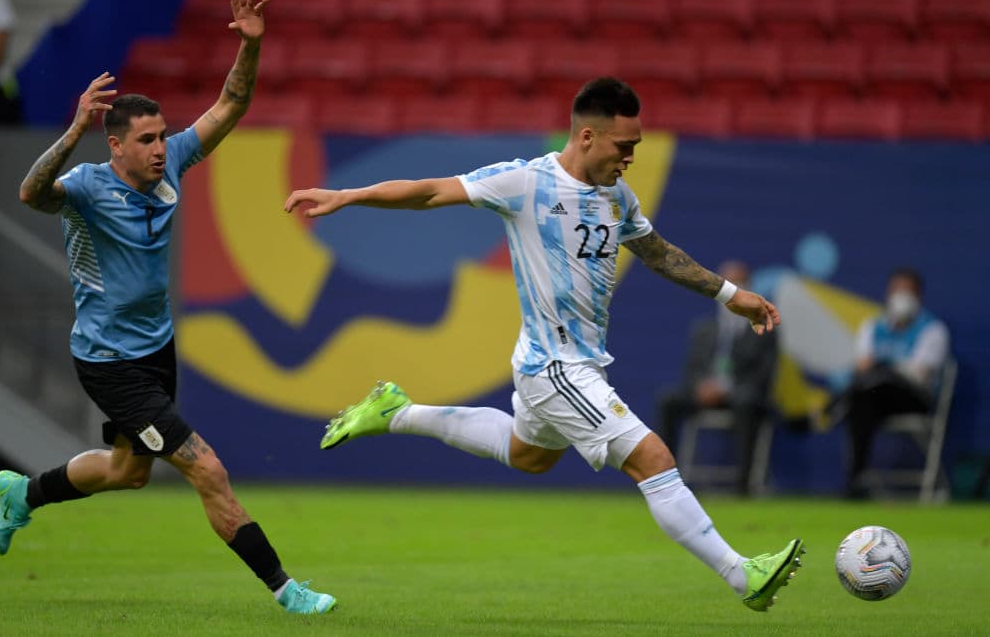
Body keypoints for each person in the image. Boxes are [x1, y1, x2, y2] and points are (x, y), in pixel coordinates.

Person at [285, 78, 804, 612]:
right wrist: (348, 195)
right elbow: (430, 191)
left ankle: (397, 412)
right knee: (651, 457)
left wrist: (730, 294)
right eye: (623, 147)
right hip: (554, 367)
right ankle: (743, 575)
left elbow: (656, 253)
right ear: (586, 137)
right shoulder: (526, 182)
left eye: (637, 148)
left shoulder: (617, 196)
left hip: (572, 365)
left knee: (528, 456)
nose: (630, 158)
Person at [0, 0, 335, 616]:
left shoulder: (172, 163)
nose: (159, 148)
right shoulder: (88, 186)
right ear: (114, 145)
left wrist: (250, 49)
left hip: (155, 347)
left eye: (161, 136)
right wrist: (73, 130)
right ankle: (288, 591)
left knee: (129, 471)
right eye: (145, 140)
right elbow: (30, 194)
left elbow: (231, 103)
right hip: (110, 361)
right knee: (208, 470)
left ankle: (24, 495)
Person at [655, 260, 779, 495]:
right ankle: (665, 480)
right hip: (705, 392)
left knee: (747, 401)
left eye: (738, 283)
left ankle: (744, 487)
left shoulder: (764, 329)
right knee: (668, 400)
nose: (731, 288)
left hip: (742, 395)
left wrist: (727, 389)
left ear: (748, 289)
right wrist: (702, 387)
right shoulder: (704, 329)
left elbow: (763, 375)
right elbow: (692, 370)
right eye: (726, 283)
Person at [826, 268, 950, 498]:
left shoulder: (933, 329)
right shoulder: (874, 326)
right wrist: (887, 367)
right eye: (897, 290)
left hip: (913, 398)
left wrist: (884, 367)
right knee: (863, 402)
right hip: (874, 399)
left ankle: (832, 408)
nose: (901, 297)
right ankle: (856, 481)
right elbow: (862, 365)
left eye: (907, 291)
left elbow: (920, 373)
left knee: (866, 392)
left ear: (918, 296)